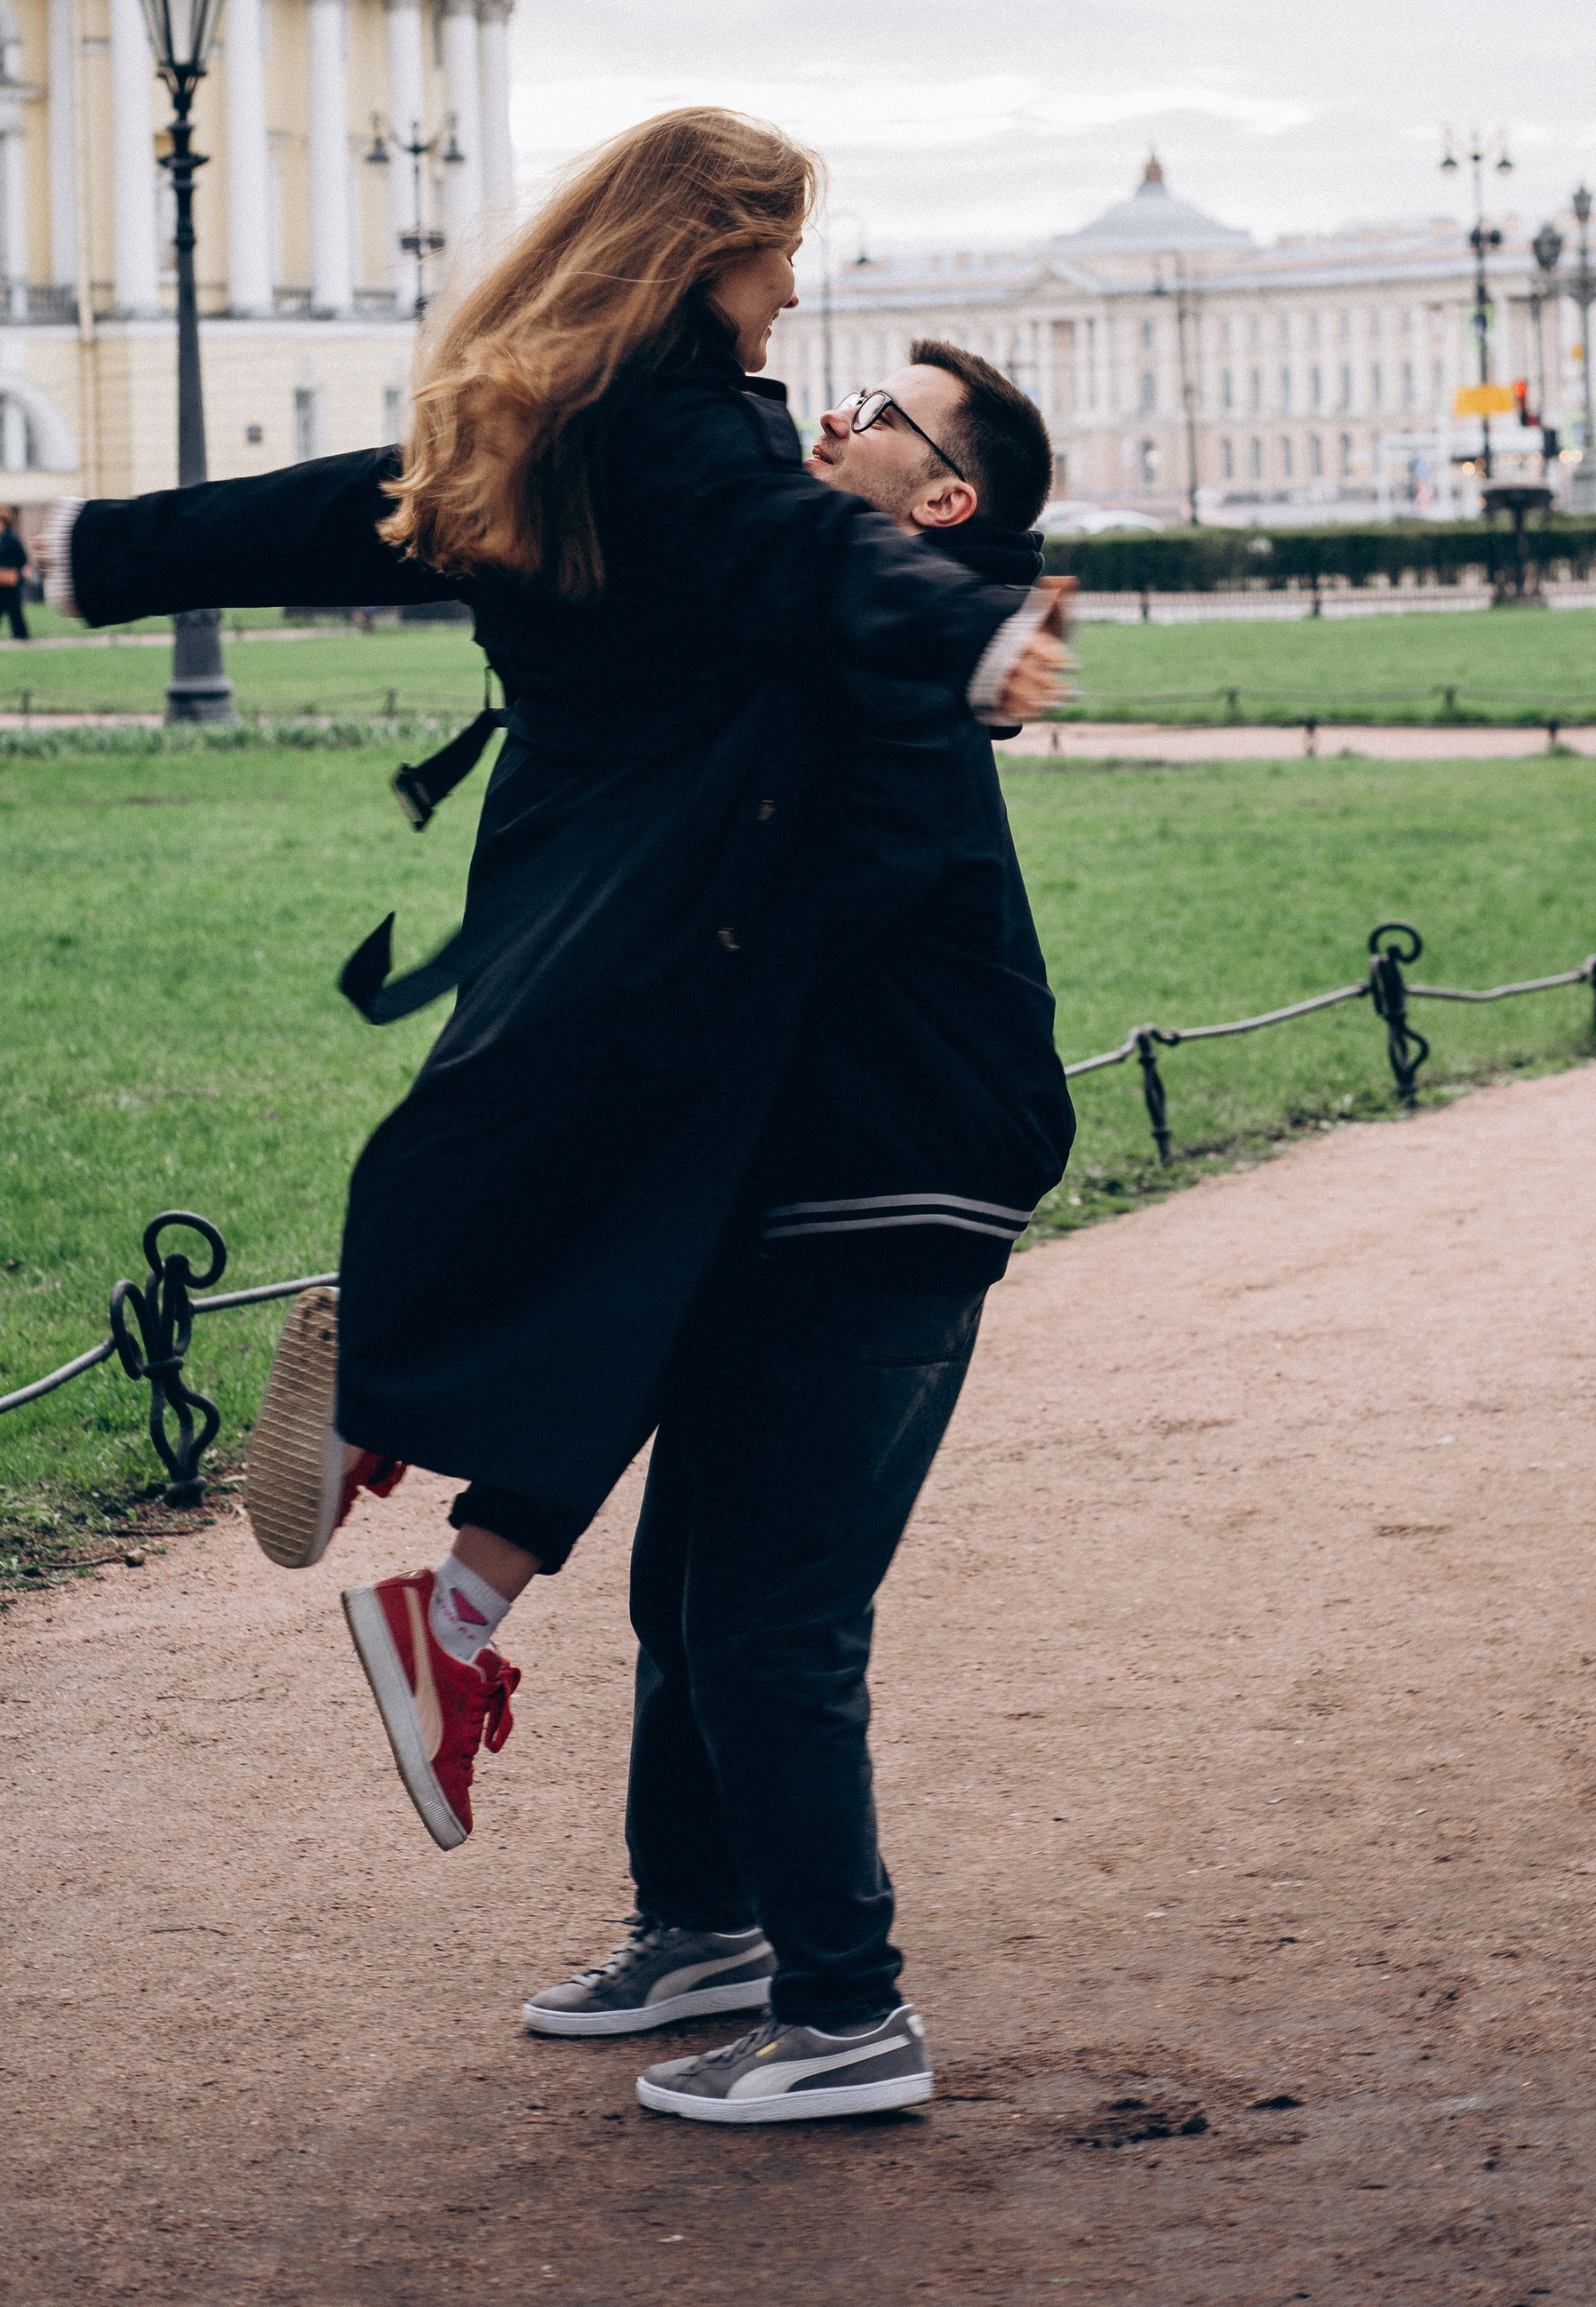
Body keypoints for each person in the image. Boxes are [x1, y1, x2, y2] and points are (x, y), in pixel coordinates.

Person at [39, 113, 1071, 1920]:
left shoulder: (568, 445)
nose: (797, 302)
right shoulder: (692, 451)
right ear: (705, 254)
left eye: (880, 410)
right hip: (718, 995)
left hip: (639, 968)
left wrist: (94, 550)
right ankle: (435, 1511)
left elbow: (361, 508)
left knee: (633, 1283)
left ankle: (428, 1476)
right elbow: (801, 557)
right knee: (680, 1374)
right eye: (779, 257)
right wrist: (969, 642)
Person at [525, 339, 1075, 2127]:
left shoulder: (883, 647)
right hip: (800, 1187)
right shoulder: (842, 618)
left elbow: (829, 905)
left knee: (771, 1616)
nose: (828, 418)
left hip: (890, 1182)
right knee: (688, 1592)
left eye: (879, 415)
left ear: (942, 500)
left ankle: (846, 2015)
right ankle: (706, 1927)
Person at [0, 508, 29, 641]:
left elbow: (22, 558)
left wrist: (20, 573)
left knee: (14, 608)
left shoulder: (11, 539)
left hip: (11, 578)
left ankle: (20, 635)